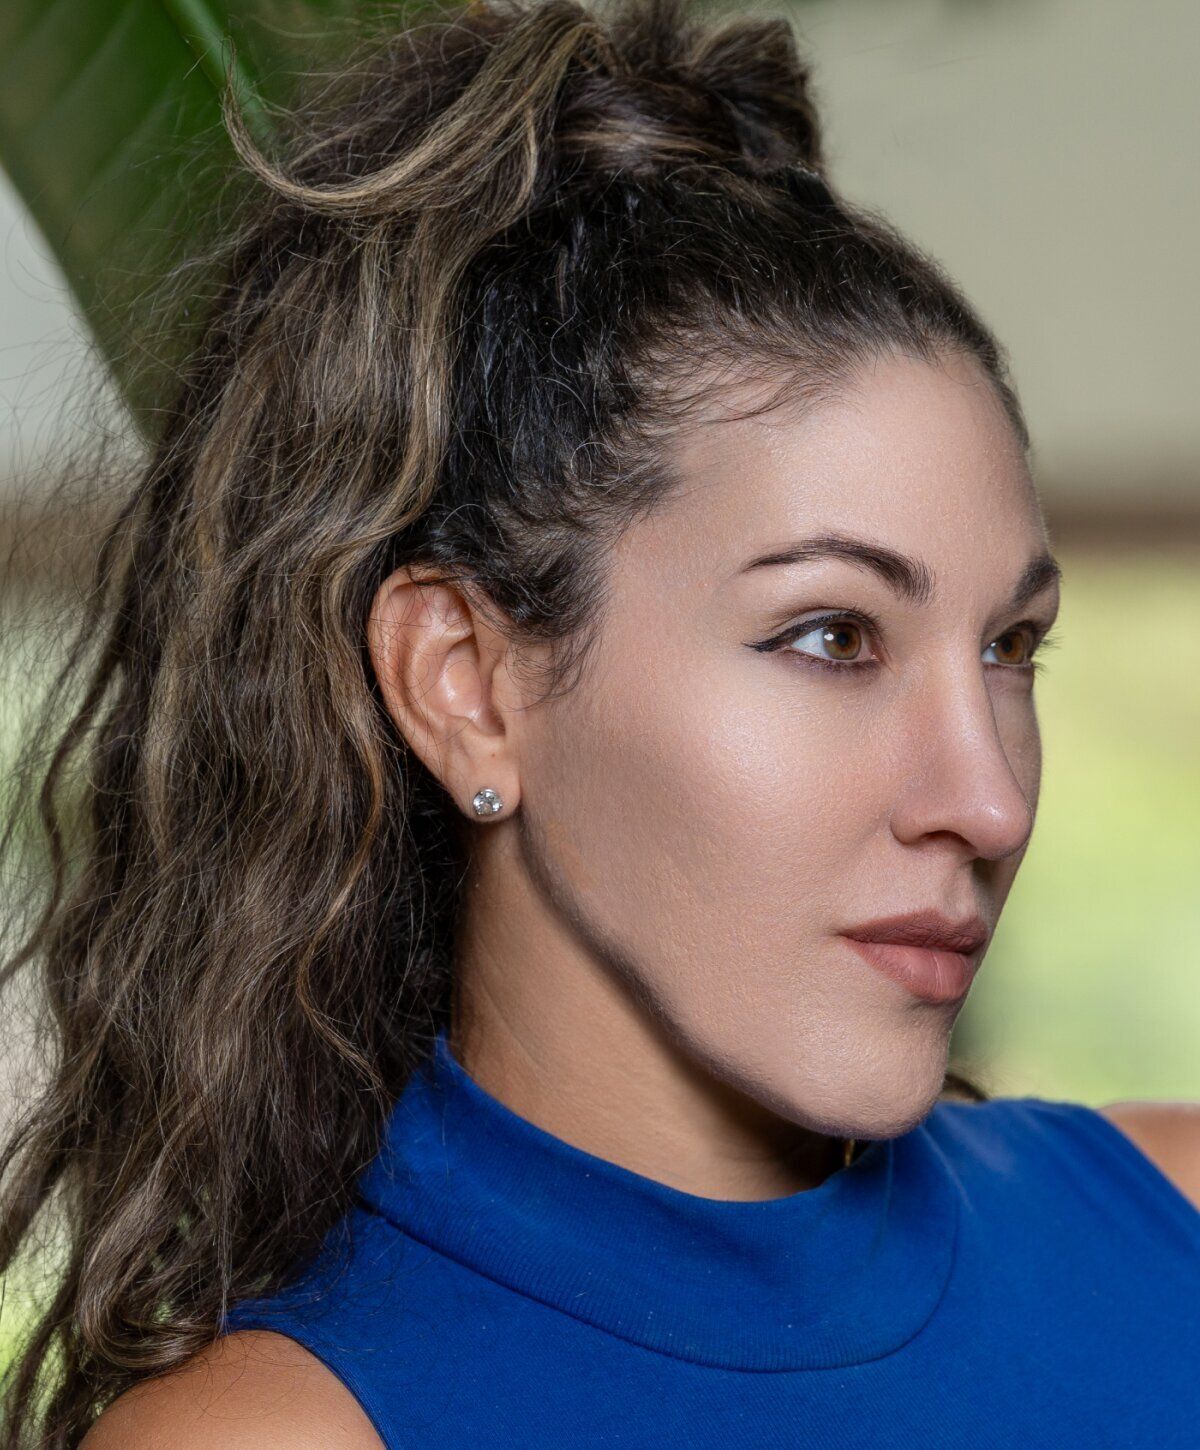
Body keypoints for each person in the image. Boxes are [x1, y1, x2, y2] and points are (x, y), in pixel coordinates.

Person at [0, 0, 1196, 1444]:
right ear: (468, 683)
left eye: (1010, 647)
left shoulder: (1170, 1226)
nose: (991, 801)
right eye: (832, 636)